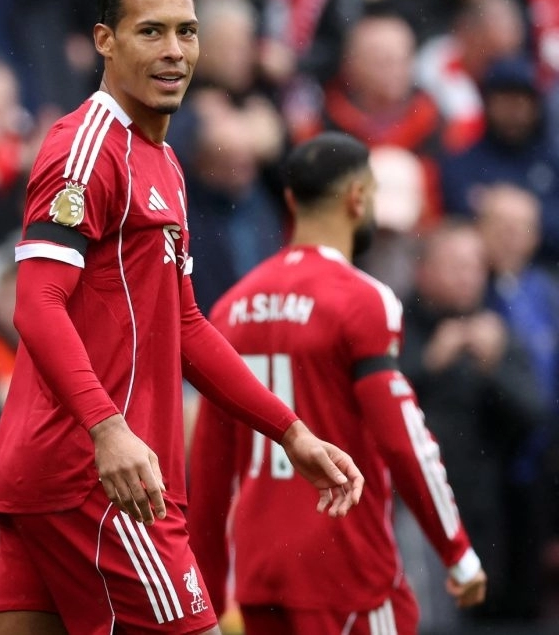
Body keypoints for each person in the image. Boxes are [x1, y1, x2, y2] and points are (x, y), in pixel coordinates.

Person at [0, 0, 365, 634]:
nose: (175, 51)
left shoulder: (160, 159)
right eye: (150, 31)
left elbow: (185, 324)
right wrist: (107, 428)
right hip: (98, 476)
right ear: (105, 39)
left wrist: (290, 430)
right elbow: (36, 304)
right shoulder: (86, 150)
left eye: (186, 32)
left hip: (59, 471)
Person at [187, 132, 489, 634]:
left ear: (290, 199)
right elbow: (405, 441)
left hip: (262, 575)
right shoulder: (363, 300)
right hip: (349, 570)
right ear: (357, 198)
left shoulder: (229, 308)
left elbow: (211, 471)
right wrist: (457, 552)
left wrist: (210, 601)